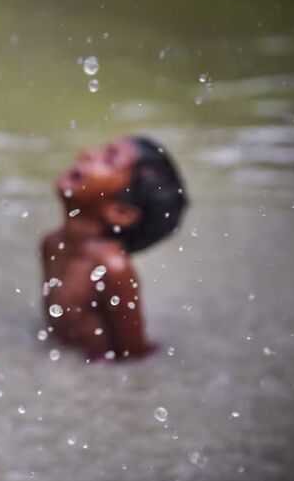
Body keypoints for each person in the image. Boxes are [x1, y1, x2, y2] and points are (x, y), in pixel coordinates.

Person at [40, 136, 187, 361]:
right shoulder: (51, 243)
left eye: (109, 159)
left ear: (120, 212)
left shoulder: (112, 268)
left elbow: (134, 358)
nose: (87, 153)